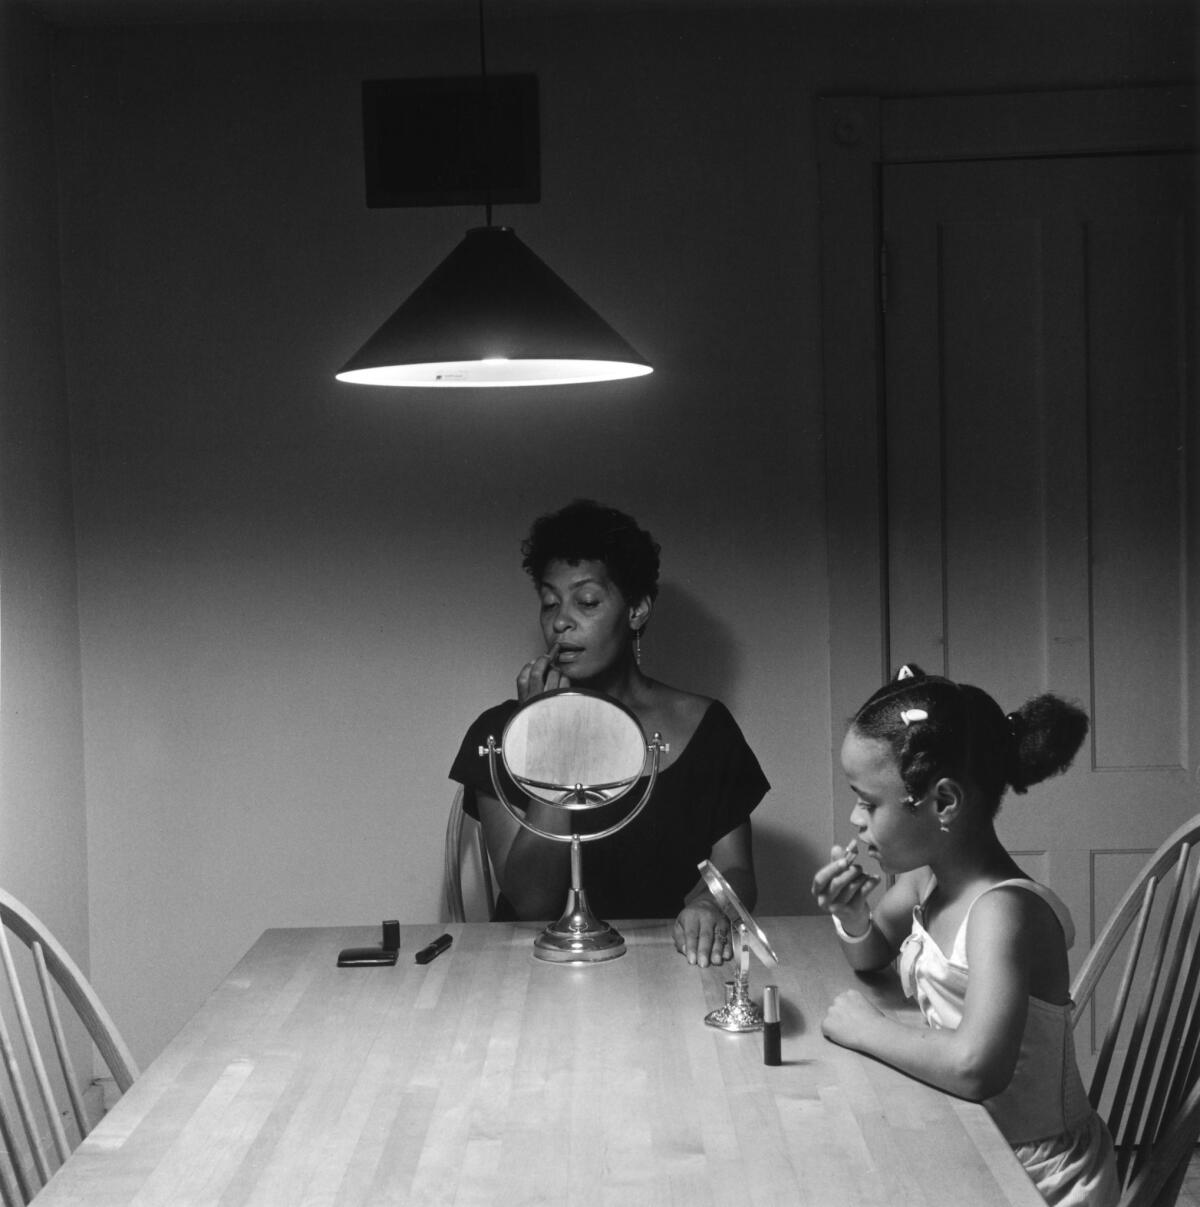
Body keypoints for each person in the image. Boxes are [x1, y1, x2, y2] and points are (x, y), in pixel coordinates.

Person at [811, 664, 1118, 1207]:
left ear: (944, 803)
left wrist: (867, 1028)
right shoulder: (924, 877)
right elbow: (871, 955)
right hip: (969, 1130)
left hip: (1035, 1174)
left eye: (869, 801)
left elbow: (977, 1068)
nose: (856, 819)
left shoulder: (1003, 912)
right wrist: (854, 914)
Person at [449, 499, 768, 967]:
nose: (561, 622)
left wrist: (708, 904)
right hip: (538, 970)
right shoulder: (500, 733)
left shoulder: (705, 726)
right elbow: (532, 901)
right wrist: (550, 738)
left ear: (636, 609)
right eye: (549, 603)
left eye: (587, 602)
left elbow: (737, 869)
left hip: (668, 965)